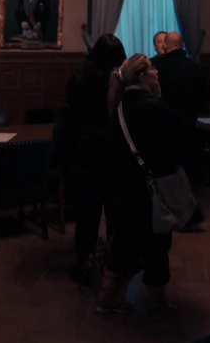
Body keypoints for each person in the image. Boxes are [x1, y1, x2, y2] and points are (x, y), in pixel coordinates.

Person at [98, 54, 186, 319]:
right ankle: (157, 302)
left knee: (124, 242)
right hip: (152, 189)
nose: (157, 71)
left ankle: (107, 297)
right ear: (142, 76)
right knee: (158, 245)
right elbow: (180, 139)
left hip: (125, 189)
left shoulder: (119, 106)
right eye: (152, 68)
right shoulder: (155, 106)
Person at [66, 34, 127, 284]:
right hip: (115, 152)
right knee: (116, 214)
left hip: (85, 151)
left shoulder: (79, 79)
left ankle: (83, 262)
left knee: (86, 215)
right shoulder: (121, 82)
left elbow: (72, 111)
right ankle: (114, 265)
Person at [156, 32, 207, 229]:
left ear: (166, 46)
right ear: (183, 45)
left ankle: (169, 213)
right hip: (189, 129)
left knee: (167, 176)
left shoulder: (158, 69)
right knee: (188, 174)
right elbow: (204, 100)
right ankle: (188, 212)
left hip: (164, 132)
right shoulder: (197, 69)